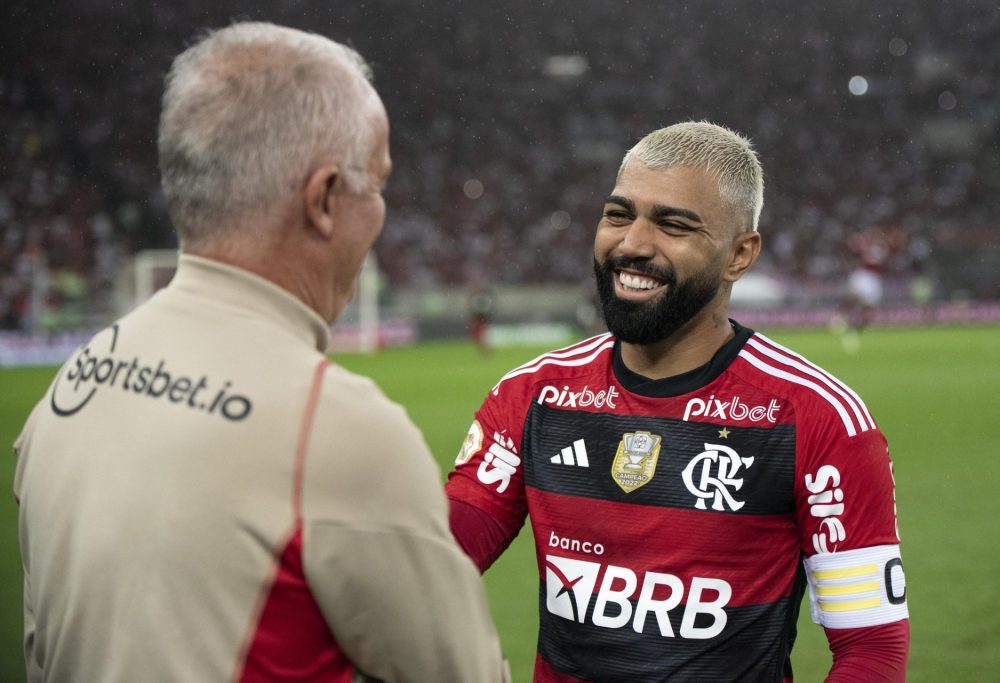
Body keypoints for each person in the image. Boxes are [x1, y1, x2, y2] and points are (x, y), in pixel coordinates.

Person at [14, 22, 507, 683]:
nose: (383, 213)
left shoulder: (71, 385)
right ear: (326, 199)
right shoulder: (338, 429)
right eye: (379, 184)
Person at [446, 121, 909, 682]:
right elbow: (433, 565)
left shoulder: (817, 420)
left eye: (673, 225)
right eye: (618, 215)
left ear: (739, 255)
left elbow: (871, 651)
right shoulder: (533, 396)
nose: (633, 244)